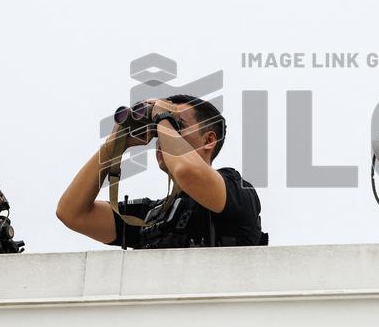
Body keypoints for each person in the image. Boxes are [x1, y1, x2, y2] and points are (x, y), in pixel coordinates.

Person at [57, 94, 265, 248]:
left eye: (177, 125)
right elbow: (71, 213)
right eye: (160, 131)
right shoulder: (151, 216)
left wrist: (162, 116)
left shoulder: (237, 190)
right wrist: (113, 145)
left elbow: (186, 171)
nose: (162, 137)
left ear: (209, 140)